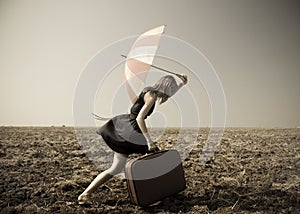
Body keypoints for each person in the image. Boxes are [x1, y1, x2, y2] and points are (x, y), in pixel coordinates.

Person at [78, 74, 188, 205]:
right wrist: (149, 141)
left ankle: (85, 194)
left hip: (125, 128)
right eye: (169, 91)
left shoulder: (148, 91)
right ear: (165, 87)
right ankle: (152, 195)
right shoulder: (152, 97)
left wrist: (182, 84)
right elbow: (139, 118)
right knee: (153, 160)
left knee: (115, 169)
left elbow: (167, 92)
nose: (168, 95)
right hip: (132, 131)